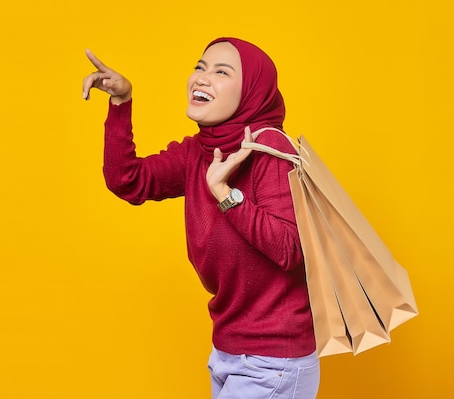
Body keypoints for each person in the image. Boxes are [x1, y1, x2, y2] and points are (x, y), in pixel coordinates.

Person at [82, 37, 320, 399]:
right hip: (227, 350)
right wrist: (121, 102)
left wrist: (224, 194)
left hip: (272, 360)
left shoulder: (272, 150)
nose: (202, 78)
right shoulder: (197, 152)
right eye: (200, 67)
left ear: (251, 92)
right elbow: (127, 181)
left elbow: (290, 249)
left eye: (221, 72)